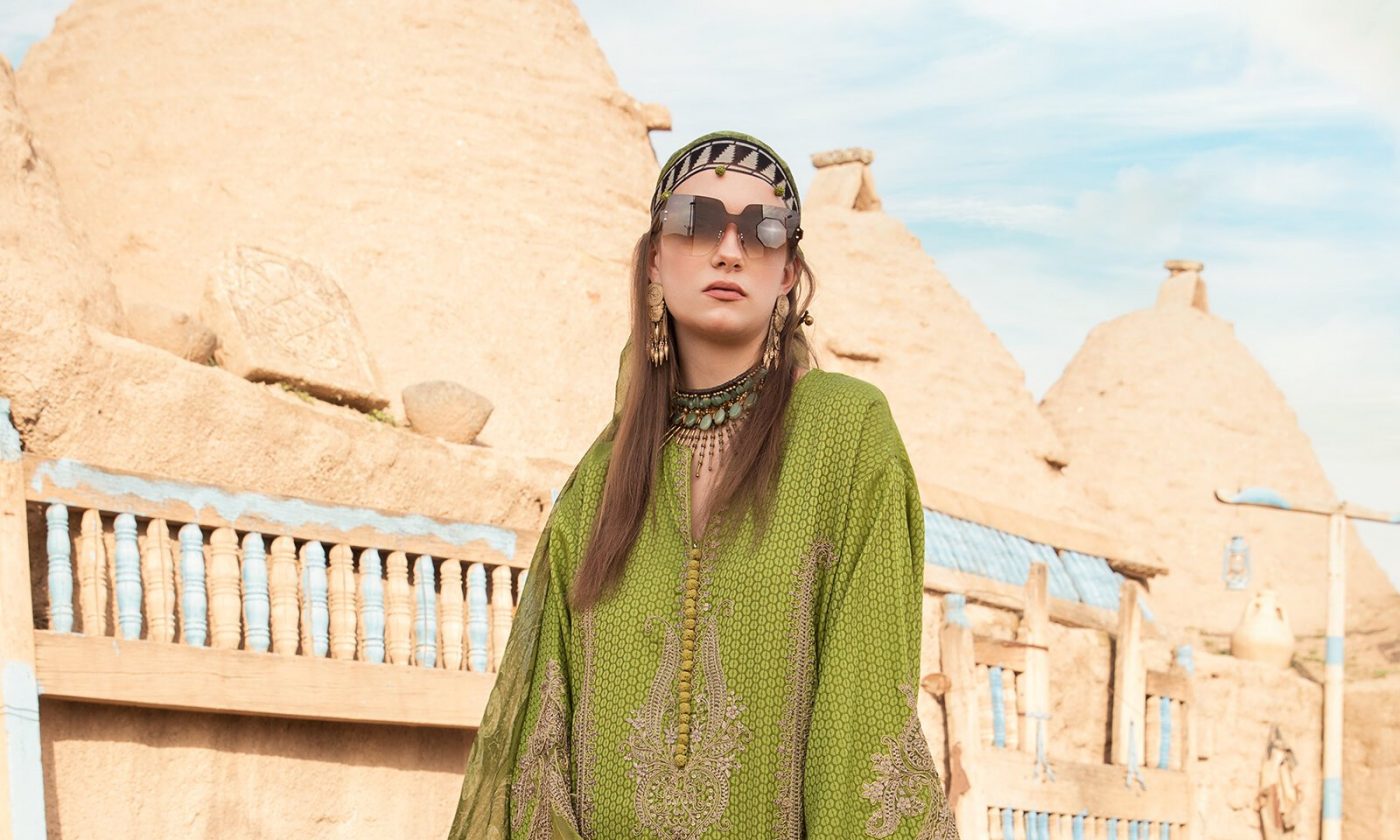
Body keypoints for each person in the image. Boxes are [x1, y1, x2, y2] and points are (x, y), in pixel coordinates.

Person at [448, 130, 957, 839]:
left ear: (788, 272)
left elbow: (863, 722)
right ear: (655, 258)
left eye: (763, 229)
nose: (729, 250)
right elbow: (540, 746)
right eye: (697, 222)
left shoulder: (847, 434)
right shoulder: (599, 484)